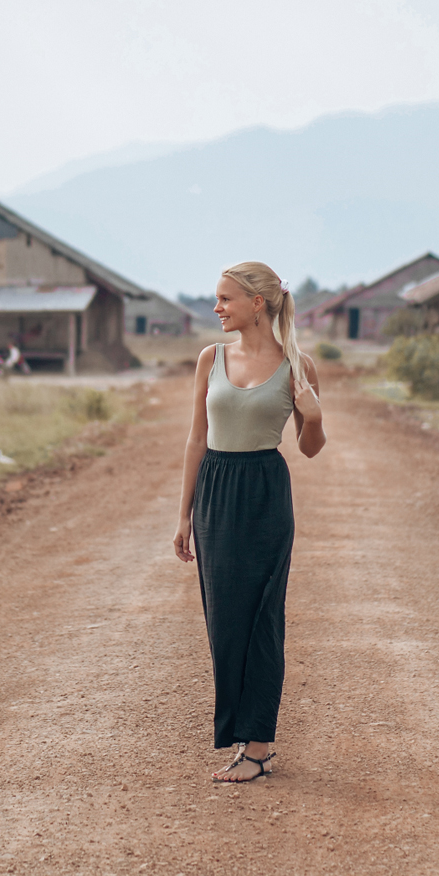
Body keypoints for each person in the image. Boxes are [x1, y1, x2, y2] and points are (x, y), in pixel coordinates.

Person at [173, 261, 326, 782]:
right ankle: (241, 734)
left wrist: (317, 418)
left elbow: (309, 448)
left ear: (257, 302)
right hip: (215, 488)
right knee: (224, 619)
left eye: (225, 299)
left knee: (263, 617)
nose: (216, 308)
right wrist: (184, 513)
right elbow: (197, 439)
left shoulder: (297, 366)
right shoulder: (209, 359)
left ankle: (258, 747)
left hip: (265, 490)